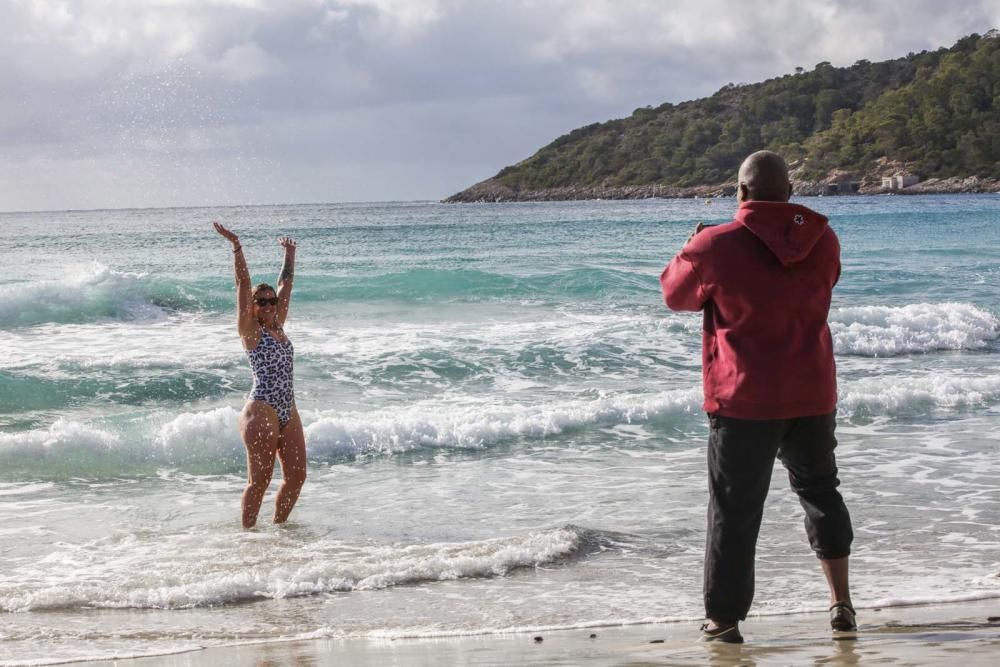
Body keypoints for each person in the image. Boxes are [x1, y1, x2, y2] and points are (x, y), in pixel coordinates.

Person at [660, 151, 855, 643]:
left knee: (734, 508)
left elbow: (677, 297)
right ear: (788, 193)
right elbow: (824, 283)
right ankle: (841, 603)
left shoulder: (713, 244)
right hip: (811, 392)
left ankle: (724, 620)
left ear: (740, 193)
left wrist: (688, 249)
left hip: (743, 398)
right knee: (820, 491)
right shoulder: (824, 239)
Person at [214, 222, 306, 529]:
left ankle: (279, 530)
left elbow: (286, 285)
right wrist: (236, 246)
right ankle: (249, 538)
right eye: (261, 301)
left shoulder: (278, 325)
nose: (268, 305)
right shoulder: (250, 332)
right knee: (260, 482)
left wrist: (290, 255)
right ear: (253, 307)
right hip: (262, 408)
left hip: (287, 408)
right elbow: (242, 284)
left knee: (297, 477)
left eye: (271, 301)